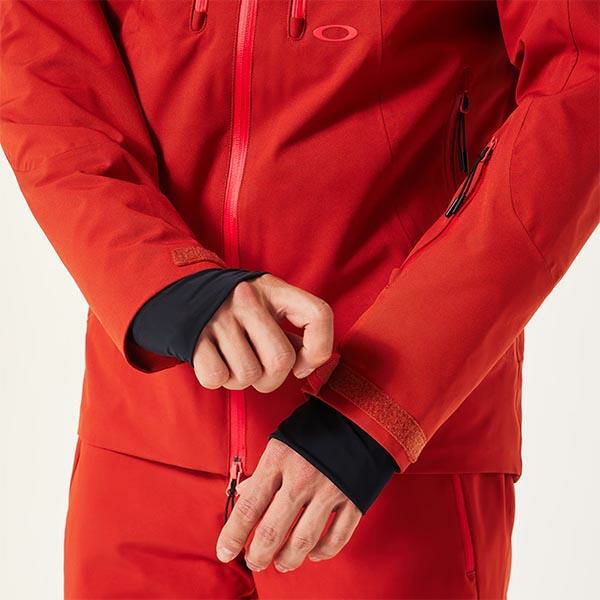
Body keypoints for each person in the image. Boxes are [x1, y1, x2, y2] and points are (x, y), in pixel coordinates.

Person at [1, 1, 597, 598]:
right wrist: (165, 282)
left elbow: (582, 86)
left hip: (389, 452)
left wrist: (374, 414)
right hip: (143, 443)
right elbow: (44, 64)